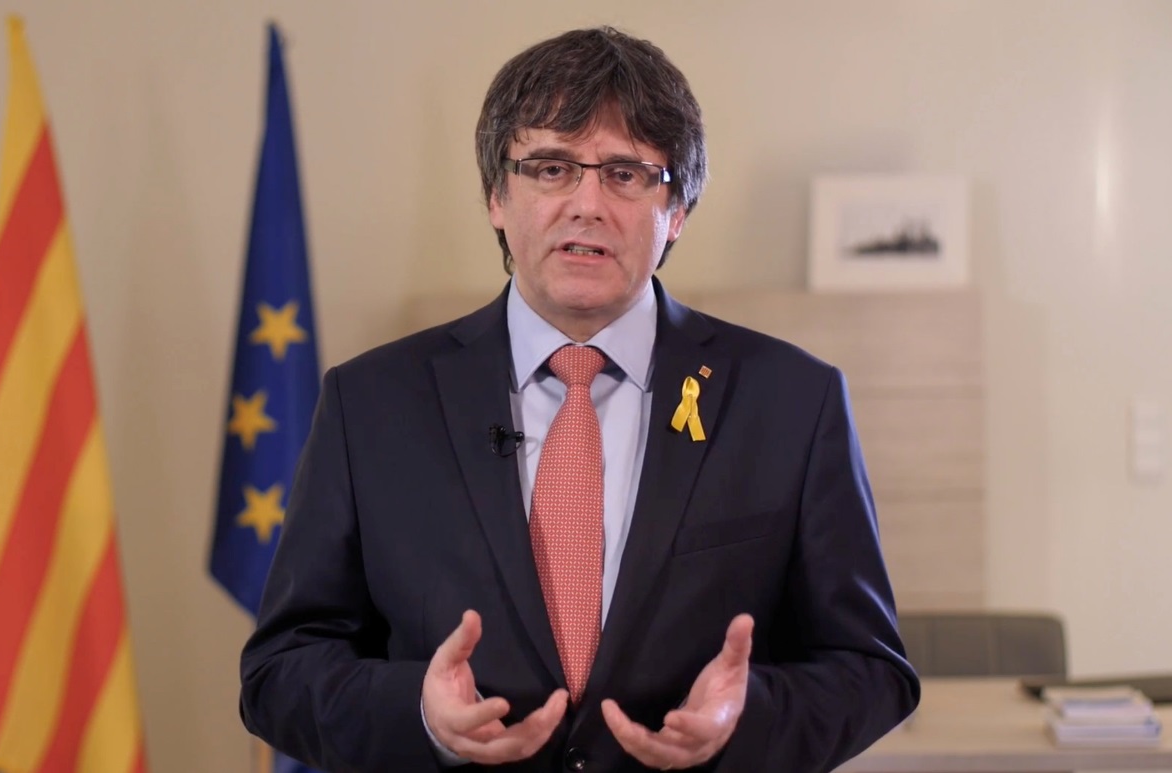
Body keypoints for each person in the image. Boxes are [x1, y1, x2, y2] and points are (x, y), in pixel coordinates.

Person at [239, 26, 919, 772]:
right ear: (497, 197)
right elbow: (279, 673)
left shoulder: (793, 401)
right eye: (552, 168)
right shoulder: (369, 404)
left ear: (677, 210)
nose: (586, 204)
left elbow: (870, 669)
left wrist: (745, 717)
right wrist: (422, 714)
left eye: (626, 173)